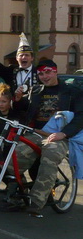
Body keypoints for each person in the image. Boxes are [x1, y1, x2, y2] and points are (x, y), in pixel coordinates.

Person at [8, 59, 83, 216]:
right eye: (40, 73)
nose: (44, 76)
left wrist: (64, 133)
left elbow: (80, 116)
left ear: (55, 71)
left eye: (48, 72)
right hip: (36, 132)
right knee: (13, 157)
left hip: (59, 135)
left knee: (49, 157)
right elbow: (26, 111)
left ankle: (37, 201)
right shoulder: (36, 91)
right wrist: (19, 100)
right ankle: (17, 194)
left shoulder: (73, 91)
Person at [0, 31, 38, 95]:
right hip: (14, 104)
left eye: (27, 55)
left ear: (32, 58)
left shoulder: (39, 72)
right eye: (21, 55)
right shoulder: (11, 71)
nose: (24, 57)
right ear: (17, 58)